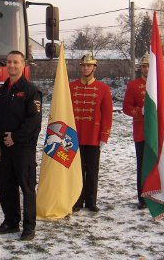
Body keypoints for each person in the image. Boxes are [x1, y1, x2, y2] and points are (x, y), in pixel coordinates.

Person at [0, 50, 42, 241]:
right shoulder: (3, 90)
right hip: (5, 148)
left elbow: (34, 121)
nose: (12, 65)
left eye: (16, 62)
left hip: (23, 148)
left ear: (23, 65)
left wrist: (16, 138)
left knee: (26, 188)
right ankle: (11, 222)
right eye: (9, 62)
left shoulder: (31, 91)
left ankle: (29, 227)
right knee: (7, 186)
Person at [123, 52, 164, 209]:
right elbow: (126, 108)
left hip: (160, 133)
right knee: (142, 166)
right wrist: (139, 111)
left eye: (148, 66)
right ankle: (143, 197)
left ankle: (161, 194)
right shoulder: (133, 85)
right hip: (142, 132)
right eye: (144, 66)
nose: (146, 69)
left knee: (160, 164)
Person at [70, 54, 112, 213]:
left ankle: (91, 201)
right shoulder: (71, 86)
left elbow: (107, 115)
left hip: (94, 137)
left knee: (92, 171)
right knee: (77, 171)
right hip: (75, 136)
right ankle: (77, 200)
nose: (85, 68)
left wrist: (104, 136)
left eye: (89, 65)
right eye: (83, 65)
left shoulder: (103, 89)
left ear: (94, 68)